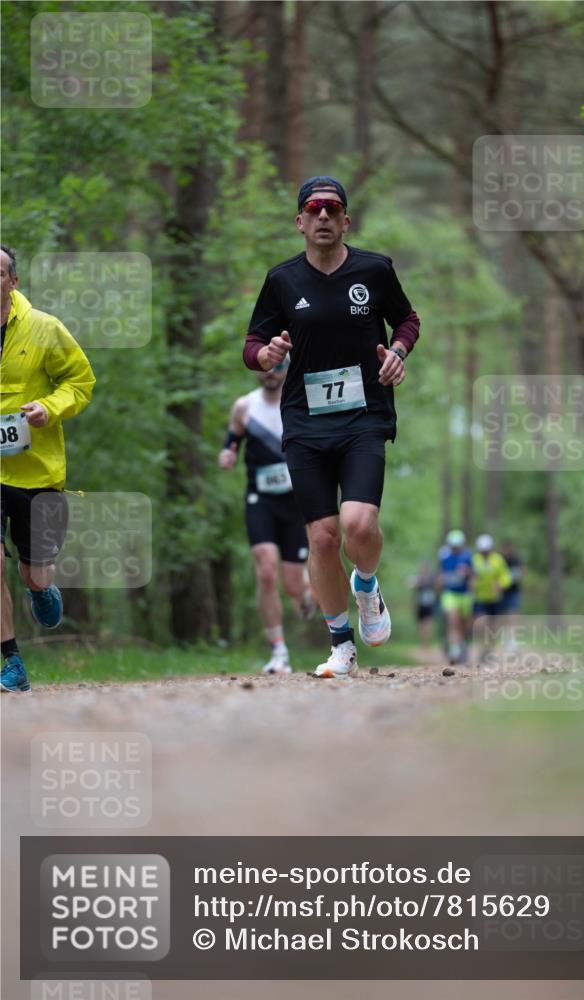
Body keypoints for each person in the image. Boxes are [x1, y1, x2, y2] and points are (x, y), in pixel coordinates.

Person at [243, 175, 420, 677]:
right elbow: (251, 345)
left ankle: (366, 584)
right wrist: (266, 353)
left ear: (346, 220)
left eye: (333, 209)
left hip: (365, 415)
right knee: (321, 538)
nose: (323, 217)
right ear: (299, 222)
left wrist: (399, 353)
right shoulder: (282, 281)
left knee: (358, 526)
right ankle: (341, 645)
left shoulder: (374, 269)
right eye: (313, 210)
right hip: (304, 420)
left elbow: (407, 320)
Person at [0, 244, 96, 693]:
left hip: (37, 470)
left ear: (13, 281)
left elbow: (80, 381)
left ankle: (40, 590)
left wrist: (50, 408)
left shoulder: (44, 328)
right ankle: (12, 660)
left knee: (34, 573)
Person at [218, 362, 314, 674]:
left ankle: (306, 589)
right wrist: (228, 453)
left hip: (297, 501)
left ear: (289, 366)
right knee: (266, 568)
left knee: (292, 585)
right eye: (263, 367)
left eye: (278, 366)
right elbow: (232, 440)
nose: (270, 372)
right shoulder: (244, 407)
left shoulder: (302, 400)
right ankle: (279, 651)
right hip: (260, 499)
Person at [437, 529, 473, 665]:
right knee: (453, 620)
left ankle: (462, 645)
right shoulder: (445, 557)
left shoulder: (467, 557)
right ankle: (454, 649)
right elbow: (441, 573)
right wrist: (440, 582)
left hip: (464, 595)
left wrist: (468, 574)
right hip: (450, 594)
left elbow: (473, 575)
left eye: (457, 546)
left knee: (463, 624)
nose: (455, 549)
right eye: (453, 546)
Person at [472, 534, 512, 618]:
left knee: (493, 624)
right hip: (480, 597)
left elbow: (506, 576)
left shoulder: (498, 559)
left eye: (486, 551)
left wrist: (501, 584)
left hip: (494, 598)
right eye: (482, 551)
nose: (485, 553)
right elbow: (470, 575)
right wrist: (471, 581)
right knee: (480, 622)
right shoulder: (475, 559)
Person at [409, 557, 439, 647]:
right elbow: (410, 585)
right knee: (421, 623)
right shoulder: (418, 577)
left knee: (427, 622)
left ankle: (426, 642)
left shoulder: (431, 578)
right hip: (420, 603)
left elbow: (437, 587)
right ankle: (424, 641)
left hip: (429, 603)